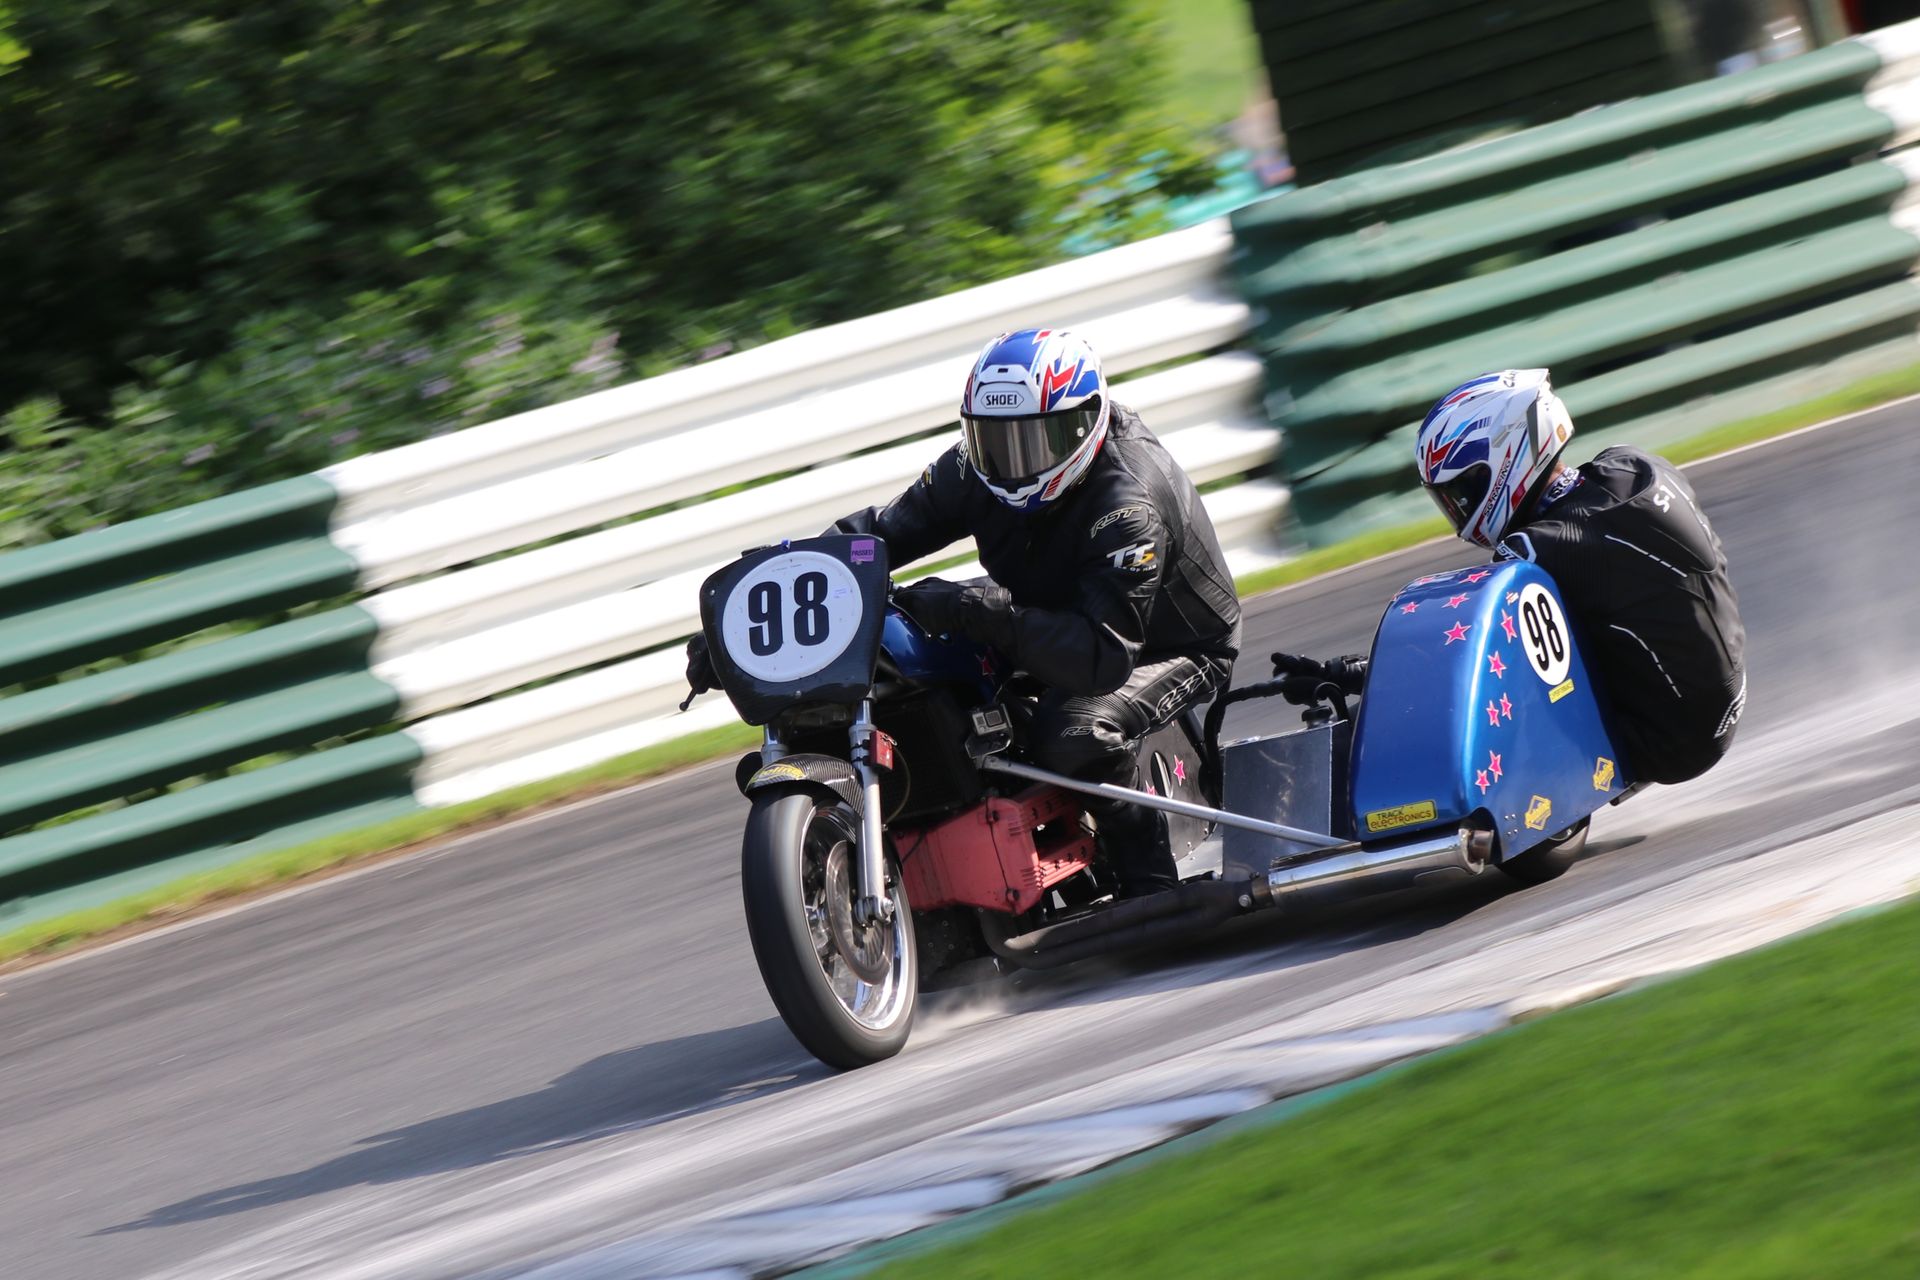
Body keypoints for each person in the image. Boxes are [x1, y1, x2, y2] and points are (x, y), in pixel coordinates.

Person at [688, 327, 1242, 896]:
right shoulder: (972, 470)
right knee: (914, 659)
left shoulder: (1128, 507)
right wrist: (753, 617)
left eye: (1034, 441)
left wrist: (978, 611)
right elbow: (876, 537)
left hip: (1160, 642)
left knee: (1075, 729)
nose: (1012, 463)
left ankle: (1148, 875)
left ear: (1086, 421)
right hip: (1048, 607)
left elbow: (1100, 658)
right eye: (994, 441)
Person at [1285, 368, 1744, 785]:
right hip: (1725, 692)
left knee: (1457, 705)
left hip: (1666, 741)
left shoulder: (1536, 548)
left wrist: (1358, 676)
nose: (1459, 510)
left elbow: (1468, 657)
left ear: (1508, 458)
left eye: (1463, 490)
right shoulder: (1637, 466)